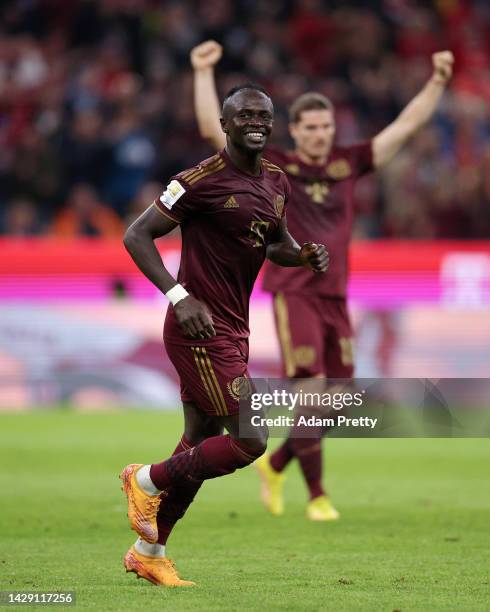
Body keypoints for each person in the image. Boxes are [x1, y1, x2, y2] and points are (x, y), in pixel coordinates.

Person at [190, 40, 454, 521]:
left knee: (342, 398)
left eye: (326, 126)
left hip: (336, 298)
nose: (319, 134)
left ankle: (277, 463)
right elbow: (213, 129)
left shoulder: (347, 163)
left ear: (335, 128)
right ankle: (316, 496)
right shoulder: (277, 167)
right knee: (312, 394)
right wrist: (203, 72)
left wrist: (437, 80)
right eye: (310, 127)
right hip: (295, 295)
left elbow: (407, 126)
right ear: (294, 130)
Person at [120, 84, 329, 587]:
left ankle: (149, 551)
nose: (256, 122)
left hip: (235, 326)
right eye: (245, 115)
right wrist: (178, 296)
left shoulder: (278, 180)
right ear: (225, 123)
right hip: (198, 326)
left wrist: (301, 255)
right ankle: (142, 478)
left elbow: (275, 242)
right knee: (251, 439)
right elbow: (136, 235)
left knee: (198, 440)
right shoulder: (199, 180)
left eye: (264, 115)